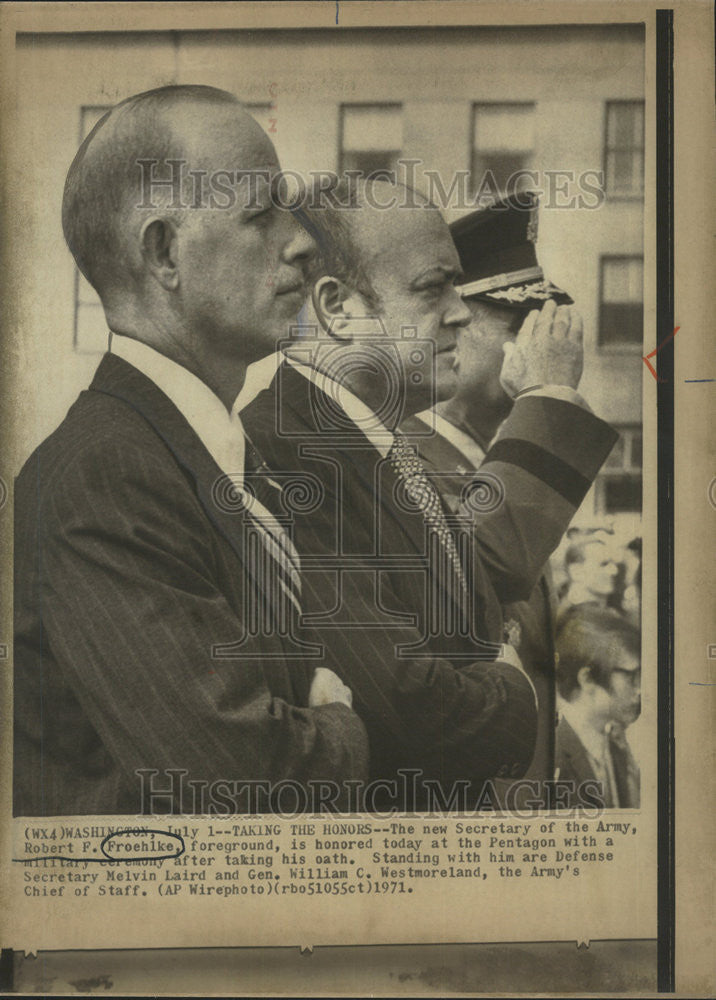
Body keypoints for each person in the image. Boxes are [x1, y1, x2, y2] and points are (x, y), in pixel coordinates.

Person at [13, 85, 369, 817]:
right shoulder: (104, 476)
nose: (302, 241)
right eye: (258, 213)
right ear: (164, 251)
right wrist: (344, 729)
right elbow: (237, 779)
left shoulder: (209, 459)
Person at [240, 178, 618, 807]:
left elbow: (465, 583)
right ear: (337, 308)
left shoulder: (365, 441)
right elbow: (409, 705)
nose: (462, 312)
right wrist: (514, 683)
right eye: (432, 288)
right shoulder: (289, 456)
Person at [402, 192, 575, 785]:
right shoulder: (403, 456)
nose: (540, 344)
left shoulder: (489, 458)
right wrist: (549, 402)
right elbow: (477, 571)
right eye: (519, 323)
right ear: (451, 323)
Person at [554, 605, 641, 808]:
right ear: (587, 679)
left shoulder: (615, 748)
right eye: (631, 677)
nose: (639, 690)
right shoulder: (551, 758)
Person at [559, 535, 620, 622]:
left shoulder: (607, 615)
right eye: (604, 564)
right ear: (576, 571)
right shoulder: (571, 620)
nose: (614, 571)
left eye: (614, 564)